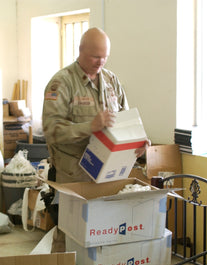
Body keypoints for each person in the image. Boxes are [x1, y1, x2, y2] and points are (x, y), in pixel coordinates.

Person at [42, 27, 147, 183]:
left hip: (110, 172)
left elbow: (126, 122)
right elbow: (51, 131)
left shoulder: (111, 80)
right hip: (74, 176)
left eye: (105, 57)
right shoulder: (62, 83)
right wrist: (90, 126)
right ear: (81, 51)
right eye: (95, 57)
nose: (101, 62)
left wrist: (140, 142)